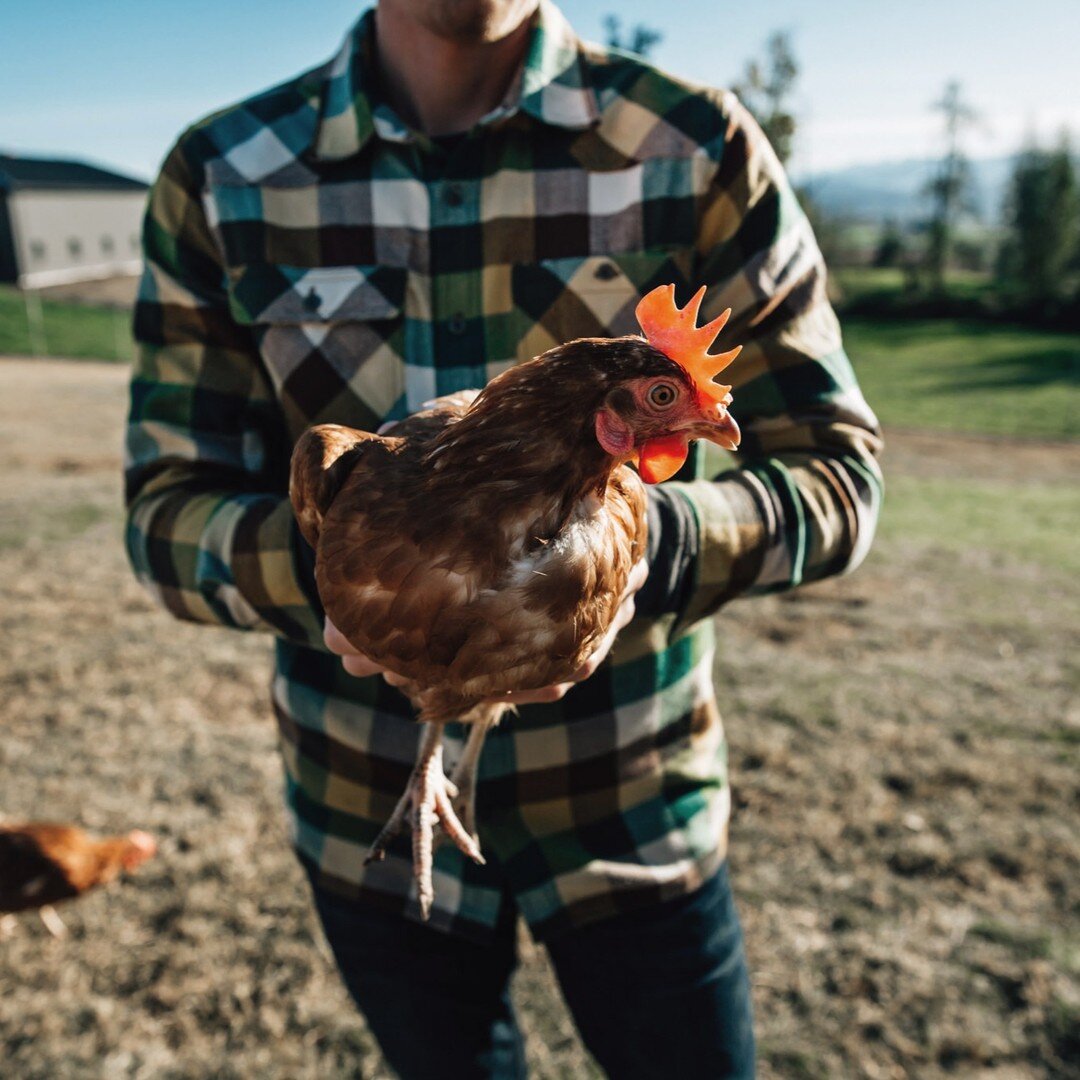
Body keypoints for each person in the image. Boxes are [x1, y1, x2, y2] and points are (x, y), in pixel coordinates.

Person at [125, 1, 882, 1075]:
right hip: (371, 810)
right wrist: (355, 581)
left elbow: (838, 478)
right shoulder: (223, 172)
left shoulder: (693, 145)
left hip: (633, 807)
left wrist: (646, 551)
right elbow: (163, 511)